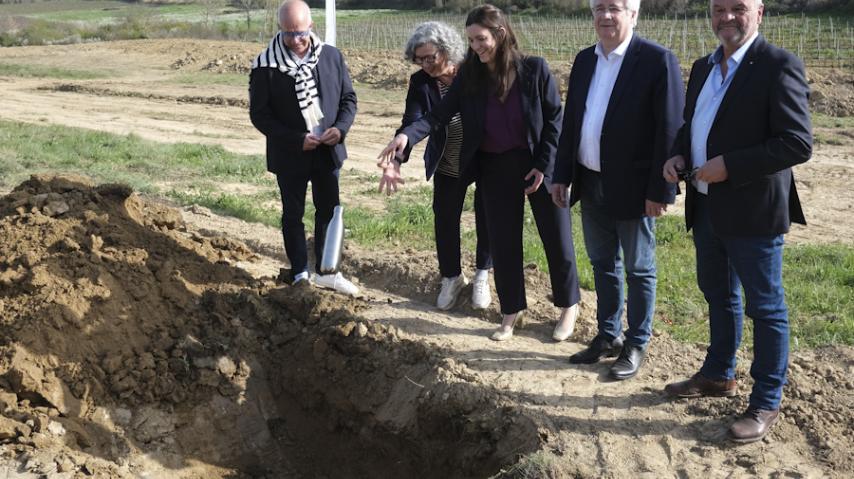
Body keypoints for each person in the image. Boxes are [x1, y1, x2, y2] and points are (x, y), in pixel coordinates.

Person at [379, 4, 581, 342]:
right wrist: (406, 136)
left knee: (556, 237)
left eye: (481, 39)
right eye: (471, 41)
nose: (475, 46)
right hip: (495, 165)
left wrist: (543, 166)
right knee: (503, 242)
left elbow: (555, 121)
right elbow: (437, 114)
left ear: (499, 34)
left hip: (539, 165)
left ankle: (568, 307)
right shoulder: (471, 76)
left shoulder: (534, 69)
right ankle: (510, 312)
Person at [662, 0, 812, 443]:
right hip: (707, 205)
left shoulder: (778, 65)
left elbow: (796, 142)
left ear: (759, 13)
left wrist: (730, 165)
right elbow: (692, 125)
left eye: (738, 8)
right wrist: (679, 153)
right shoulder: (704, 66)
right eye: (719, 8)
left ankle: (766, 400)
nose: (727, 16)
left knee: (765, 307)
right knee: (718, 294)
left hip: (753, 210)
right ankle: (717, 374)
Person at [550, 0, 684, 380]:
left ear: (634, 14)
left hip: (635, 186)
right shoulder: (584, 60)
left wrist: (661, 190)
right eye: (599, 8)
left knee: (640, 269)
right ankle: (608, 334)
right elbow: (572, 121)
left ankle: (636, 341)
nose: (606, 16)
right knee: (602, 263)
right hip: (590, 181)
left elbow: (670, 129)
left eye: (616, 8)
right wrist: (562, 175)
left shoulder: (657, 60)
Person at [377, 21, 494, 311]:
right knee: (444, 217)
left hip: (485, 155)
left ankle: (482, 274)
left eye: (431, 57)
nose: (426, 64)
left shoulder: (475, 71)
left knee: (487, 215)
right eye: (420, 59)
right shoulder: (421, 83)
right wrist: (396, 162)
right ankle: (452, 276)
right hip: (449, 156)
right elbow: (412, 122)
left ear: (447, 50)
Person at [249, 0, 359, 295]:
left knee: (329, 211)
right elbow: (259, 115)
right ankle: (300, 273)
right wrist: (296, 139)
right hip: (291, 155)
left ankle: (327, 271)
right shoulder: (265, 66)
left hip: (327, 151)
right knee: (293, 214)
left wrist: (341, 129)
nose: (295, 40)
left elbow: (349, 99)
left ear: (311, 27)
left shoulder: (331, 56)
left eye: (299, 32)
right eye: (287, 33)